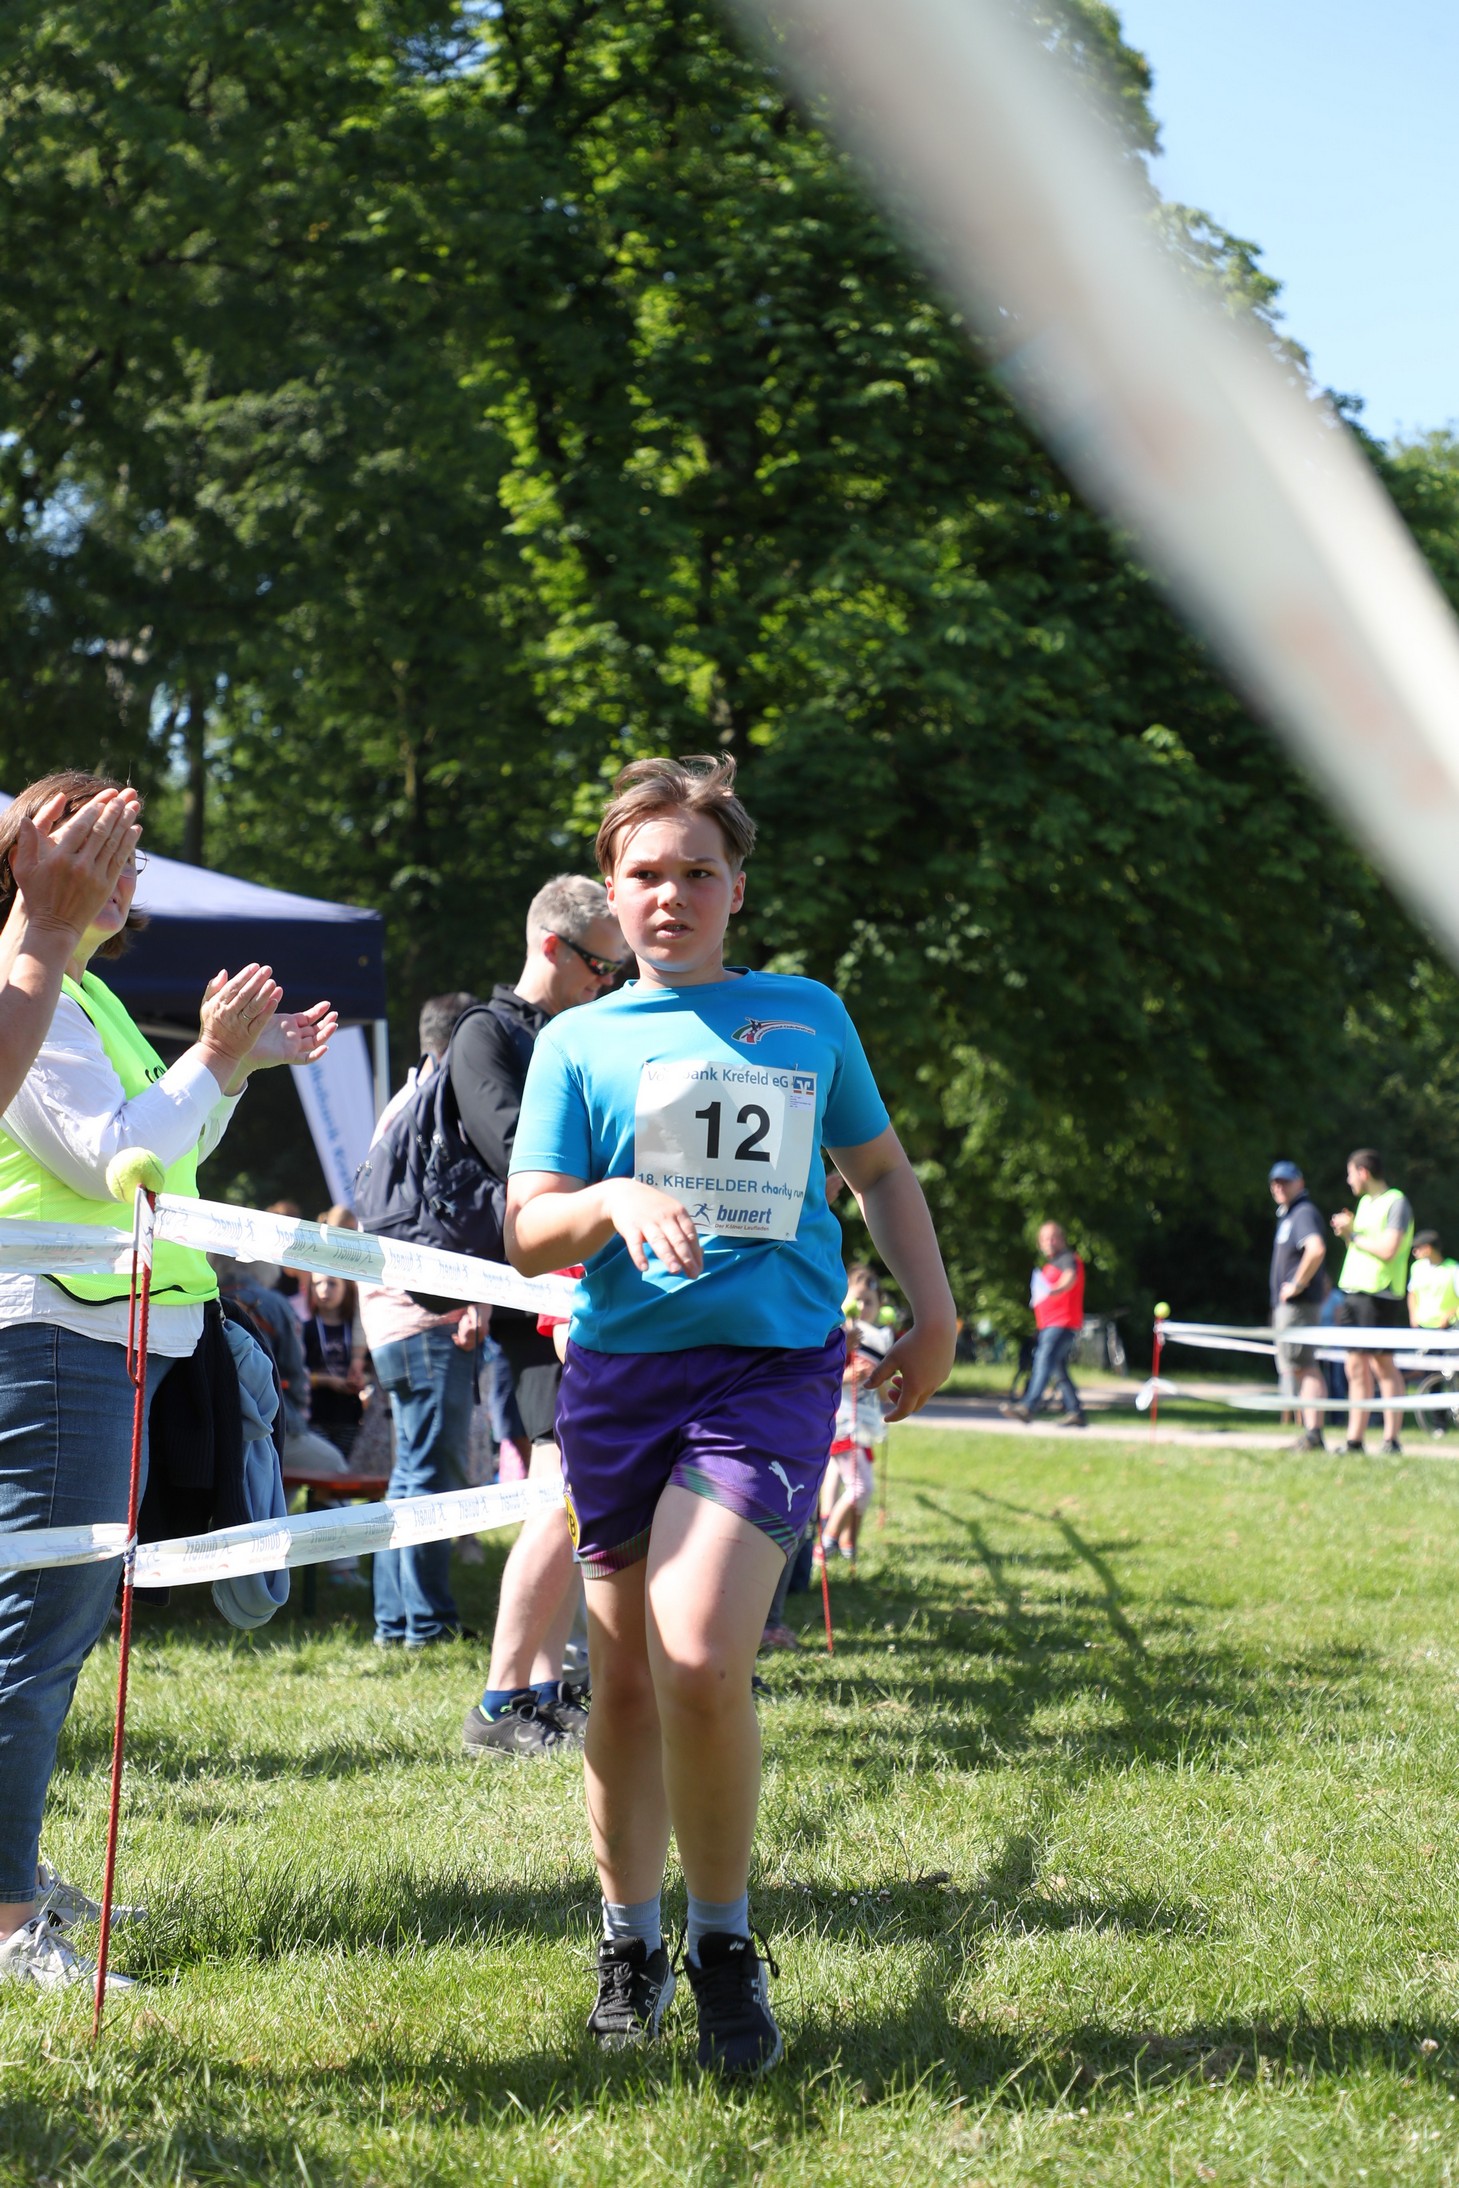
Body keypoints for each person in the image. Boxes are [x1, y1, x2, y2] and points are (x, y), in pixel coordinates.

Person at [505, 753, 956, 2075]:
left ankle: (722, 1947)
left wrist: (932, 1314)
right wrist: (611, 1201)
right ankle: (627, 1941)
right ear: (609, 891)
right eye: (645, 874)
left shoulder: (804, 1014)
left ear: (736, 888)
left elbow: (879, 1170)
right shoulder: (576, 1043)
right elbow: (528, 1229)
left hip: (766, 1373)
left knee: (700, 1651)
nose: (670, 895)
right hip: (620, 1381)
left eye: (696, 872)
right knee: (621, 1683)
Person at [0, 769, 335, 1993]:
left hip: (103, 1334)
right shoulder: (31, 985)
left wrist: (229, 1070)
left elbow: (168, 1147)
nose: (123, 867)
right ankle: (8, 1920)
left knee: (53, 1626)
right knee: (38, 1629)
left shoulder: (78, 991)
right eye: (99, 841)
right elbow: (119, 1157)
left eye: (128, 848)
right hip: (56, 1333)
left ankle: (14, 1876)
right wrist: (212, 1054)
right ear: (33, 855)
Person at [457, 878, 629, 1758]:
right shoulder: (487, 1035)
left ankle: (542, 1691)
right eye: (602, 965)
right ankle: (499, 1702)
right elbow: (517, 1152)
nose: (611, 982)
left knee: (577, 1498)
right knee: (558, 1497)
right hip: (534, 1304)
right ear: (553, 946)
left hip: (591, 1288)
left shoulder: (588, 1034)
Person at [0, 784, 141, 1113]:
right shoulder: (46, 995)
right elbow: (111, 1141)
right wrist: (218, 1054)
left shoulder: (99, 994)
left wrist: (230, 1072)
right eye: (87, 850)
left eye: (124, 856)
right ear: (20, 859)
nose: (108, 872)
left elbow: (186, 1135)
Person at [1330, 1147, 1414, 1456]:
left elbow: (1388, 1249)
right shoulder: (1364, 1203)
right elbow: (1361, 1247)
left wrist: (1353, 1235)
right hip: (1354, 1292)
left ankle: (1391, 1440)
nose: (1348, 1180)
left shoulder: (1397, 1202)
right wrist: (1347, 1233)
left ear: (1363, 1172)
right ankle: (1355, 1441)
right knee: (1354, 1366)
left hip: (1380, 1294)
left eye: (1350, 1173)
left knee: (1382, 1365)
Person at [819, 1266, 893, 1566]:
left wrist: (881, 1380)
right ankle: (828, 1538)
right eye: (857, 1300)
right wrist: (849, 1376)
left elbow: (883, 1393)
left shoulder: (880, 1340)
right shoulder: (837, 1334)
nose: (863, 1307)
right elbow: (822, 1378)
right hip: (841, 1421)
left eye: (870, 1302)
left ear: (880, 1306)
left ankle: (848, 1542)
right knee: (860, 1486)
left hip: (865, 1423)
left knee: (855, 1482)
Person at [1267, 1159, 1332, 1453]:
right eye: (1275, 1182)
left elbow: (1315, 1249)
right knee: (1300, 1367)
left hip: (1298, 1306)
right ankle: (1312, 1434)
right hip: (1293, 1307)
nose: (1279, 1187)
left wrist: (1297, 1284)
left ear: (1300, 1183)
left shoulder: (1303, 1212)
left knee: (1304, 1367)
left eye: (1285, 1181)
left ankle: (1313, 1434)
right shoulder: (1290, 1215)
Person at [1000, 1221, 1086, 1428]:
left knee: (1043, 1359)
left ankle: (1028, 1407)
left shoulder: (1066, 1258)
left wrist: (1054, 1290)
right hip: (1050, 1324)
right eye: (1045, 1239)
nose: (1049, 1242)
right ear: (1039, 1244)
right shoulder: (1052, 1264)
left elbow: (1070, 1277)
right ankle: (1076, 1412)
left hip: (1061, 1323)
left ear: (1062, 1239)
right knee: (1057, 1368)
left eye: (1053, 1237)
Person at [1408, 1232, 1459, 1332]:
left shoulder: (1454, 1269)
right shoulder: (1416, 1267)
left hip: (1447, 1327)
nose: (1414, 1252)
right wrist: (1413, 1316)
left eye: (1417, 1248)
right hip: (1422, 1326)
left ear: (1428, 1248)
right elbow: (1412, 1293)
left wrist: (1450, 1313)